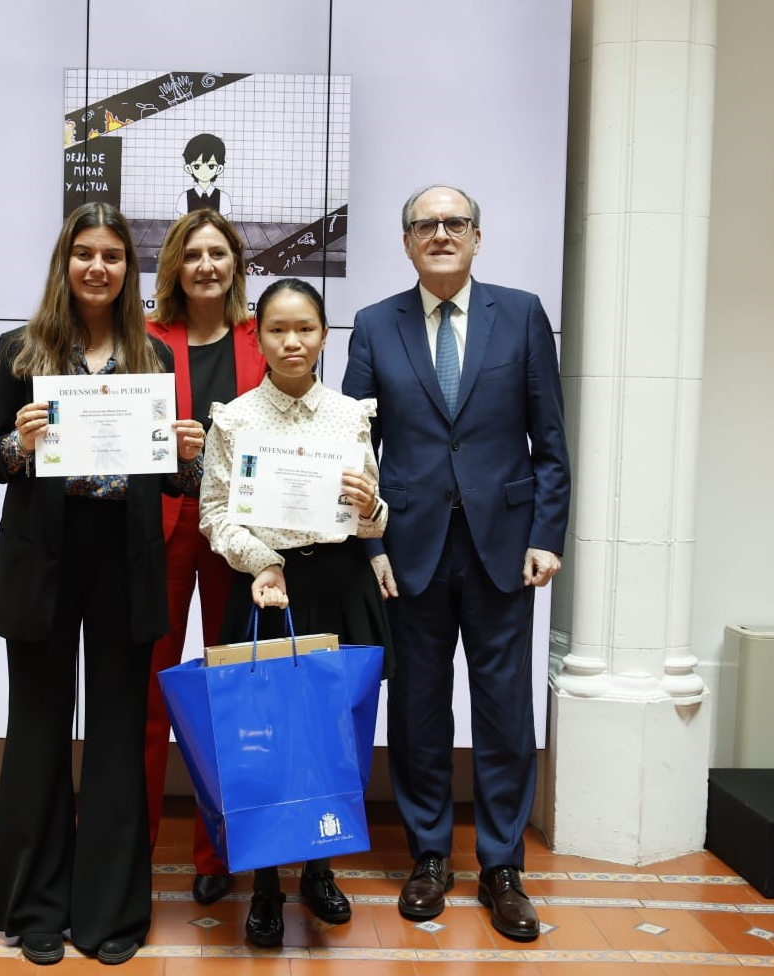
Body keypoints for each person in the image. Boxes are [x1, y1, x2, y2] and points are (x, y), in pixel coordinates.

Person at [0, 202, 205, 966]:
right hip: (45, 555)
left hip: (123, 557)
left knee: (113, 733)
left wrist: (187, 452)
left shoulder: (154, 361)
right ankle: (36, 908)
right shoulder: (21, 349)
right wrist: (21, 441)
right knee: (38, 729)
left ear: (126, 269)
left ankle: (107, 912)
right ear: (64, 263)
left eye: (111, 255)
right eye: (84, 254)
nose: (98, 267)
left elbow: (173, 474)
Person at [341, 185, 570, 941]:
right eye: (425, 225)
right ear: (406, 242)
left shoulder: (523, 313)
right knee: (418, 710)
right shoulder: (376, 325)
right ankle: (430, 857)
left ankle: (502, 867)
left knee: (505, 712)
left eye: (454, 223)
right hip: (408, 552)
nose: (441, 234)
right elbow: (354, 451)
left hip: (505, 548)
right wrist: (370, 543)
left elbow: (550, 441)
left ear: (477, 236)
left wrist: (548, 534)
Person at [199, 277, 392, 948]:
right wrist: (262, 564)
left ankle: (318, 869)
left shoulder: (350, 415)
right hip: (264, 587)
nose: (292, 341)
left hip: (337, 586)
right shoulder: (236, 418)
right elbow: (215, 515)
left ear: (324, 336)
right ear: (257, 335)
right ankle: (264, 885)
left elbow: (371, 522)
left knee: (330, 739)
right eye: (277, 329)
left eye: (305, 328)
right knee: (264, 743)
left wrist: (373, 509)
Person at [143, 210, 268, 906]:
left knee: (228, 690)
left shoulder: (261, 338)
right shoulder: (147, 337)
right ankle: (133, 842)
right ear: (175, 266)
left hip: (237, 533)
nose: (206, 265)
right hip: (161, 525)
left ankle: (215, 853)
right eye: (193, 254)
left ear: (236, 264)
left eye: (219, 253)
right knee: (147, 693)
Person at [174, 133, 232, 217]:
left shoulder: (223, 198)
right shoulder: (184, 198)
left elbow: (223, 226)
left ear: (219, 169)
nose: (204, 172)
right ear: (188, 168)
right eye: (197, 166)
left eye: (211, 166)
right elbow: (183, 225)